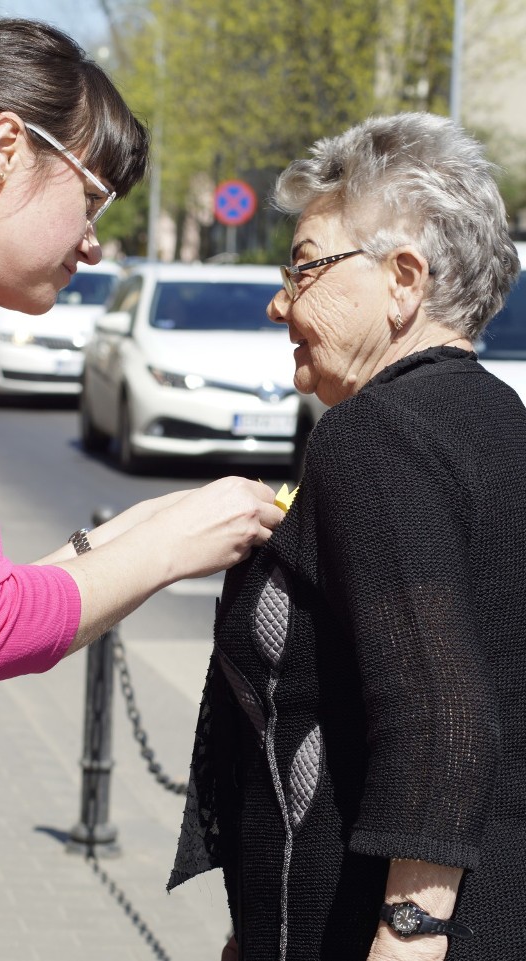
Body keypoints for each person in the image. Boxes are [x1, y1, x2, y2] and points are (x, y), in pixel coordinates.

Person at [0, 18, 284, 960]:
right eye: (92, 199)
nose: (95, 245)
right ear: (6, 147)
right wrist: (169, 547)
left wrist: (122, 536)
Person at [169, 112, 525, 961]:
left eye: (304, 266)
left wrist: (409, 934)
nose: (278, 300)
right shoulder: (500, 418)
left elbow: (443, 711)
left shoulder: (373, 433)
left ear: (404, 278)